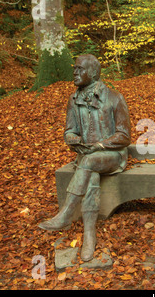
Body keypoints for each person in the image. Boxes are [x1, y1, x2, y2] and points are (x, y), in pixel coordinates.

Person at [39, 54, 131, 261]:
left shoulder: (115, 97)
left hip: (113, 156)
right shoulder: (74, 99)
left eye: (80, 69)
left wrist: (99, 145)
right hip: (87, 159)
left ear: (94, 73)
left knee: (89, 163)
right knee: (91, 173)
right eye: (75, 68)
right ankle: (90, 236)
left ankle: (66, 213)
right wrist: (74, 140)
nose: (75, 72)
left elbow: (124, 136)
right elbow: (69, 131)